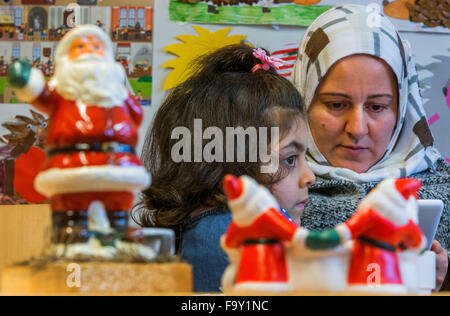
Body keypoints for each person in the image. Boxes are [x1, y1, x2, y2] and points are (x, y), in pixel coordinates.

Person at [291, 4, 449, 291]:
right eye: (336, 105)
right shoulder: (266, 191)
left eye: (377, 107)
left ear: (402, 111)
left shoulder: (445, 193)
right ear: (304, 100)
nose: (357, 128)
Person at [133, 44, 315, 292]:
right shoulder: (227, 235)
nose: (309, 177)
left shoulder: (220, 226)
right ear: (231, 162)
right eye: (290, 159)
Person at [8, 25, 150, 242]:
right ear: (67, 56)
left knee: (117, 197)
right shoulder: (62, 90)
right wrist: (26, 79)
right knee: (73, 197)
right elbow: (39, 93)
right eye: (81, 46)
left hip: (118, 160)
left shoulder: (117, 91)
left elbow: (137, 115)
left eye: (96, 46)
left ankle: (118, 227)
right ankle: (72, 225)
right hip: (72, 160)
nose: (90, 51)